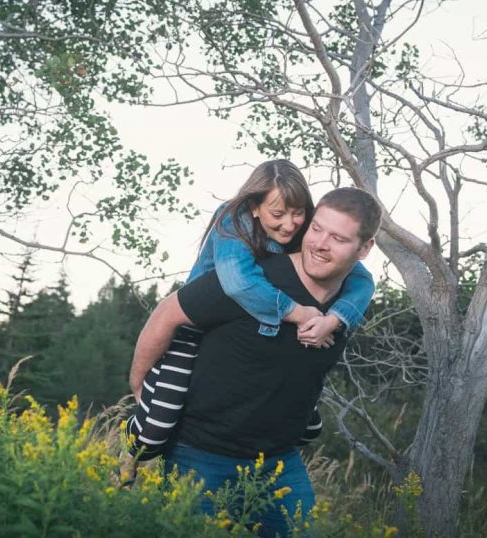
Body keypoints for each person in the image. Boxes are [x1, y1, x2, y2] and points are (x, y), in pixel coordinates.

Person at [128, 187, 382, 536]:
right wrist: (138, 382)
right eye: (317, 229)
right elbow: (166, 313)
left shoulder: (349, 305)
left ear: (365, 248)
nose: (320, 243)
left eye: (337, 238)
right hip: (200, 455)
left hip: (279, 463)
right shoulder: (254, 281)